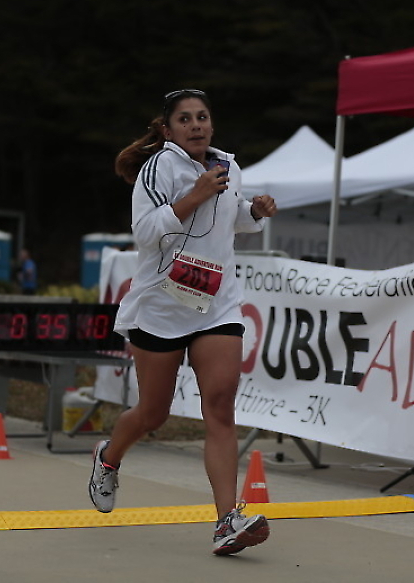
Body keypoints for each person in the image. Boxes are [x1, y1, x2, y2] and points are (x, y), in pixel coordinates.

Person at [88, 89, 277, 556]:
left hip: (216, 304)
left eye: (203, 117)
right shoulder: (159, 168)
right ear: (168, 129)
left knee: (221, 405)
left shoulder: (227, 166)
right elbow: (145, 233)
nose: (196, 125)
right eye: (185, 119)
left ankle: (227, 520)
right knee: (153, 414)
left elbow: (229, 220)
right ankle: (109, 457)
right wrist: (193, 196)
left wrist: (253, 212)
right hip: (162, 305)